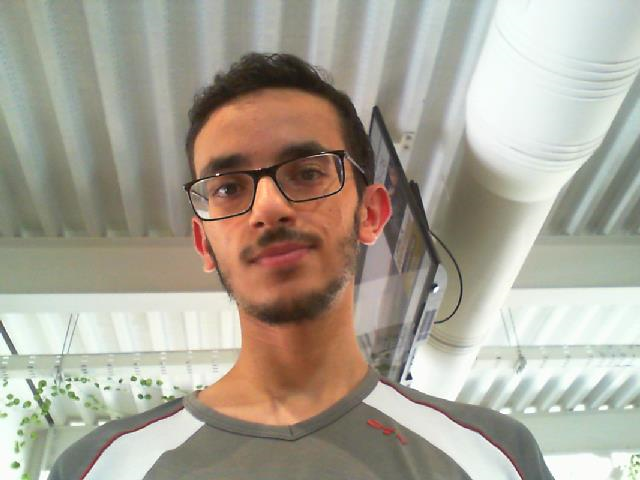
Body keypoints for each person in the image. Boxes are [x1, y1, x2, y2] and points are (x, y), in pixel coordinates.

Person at [49, 53, 553, 480]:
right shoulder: (101, 467)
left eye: (308, 173)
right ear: (204, 243)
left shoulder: (496, 457)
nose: (268, 207)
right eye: (229, 188)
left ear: (371, 213)